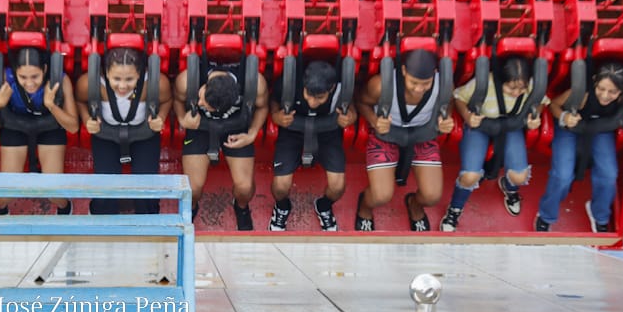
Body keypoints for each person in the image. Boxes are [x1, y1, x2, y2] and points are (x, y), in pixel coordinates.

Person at [440, 56, 548, 231]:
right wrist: (468, 116)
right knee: (470, 176)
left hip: (512, 125)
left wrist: (534, 116)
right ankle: (455, 208)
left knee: (519, 176)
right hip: (481, 125)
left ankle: (509, 186)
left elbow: (541, 101)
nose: (516, 92)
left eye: (521, 88)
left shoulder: (530, 85)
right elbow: (459, 97)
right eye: (511, 88)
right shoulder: (485, 83)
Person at [354, 49, 454, 231]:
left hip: (422, 135)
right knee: (380, 195)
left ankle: (414, 204)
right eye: (414, 82)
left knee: (432, 196)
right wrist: (375, 121)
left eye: (426, 83)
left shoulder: (443, 85)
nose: (419, 89)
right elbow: (361, 101)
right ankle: (365, 207)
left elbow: (448, 103)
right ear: (404, 71)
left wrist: (445, 118)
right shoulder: (380, 85)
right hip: (387, 135)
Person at [535, 63, 623, 232]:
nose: (605, 96)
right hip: (571, 128)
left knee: (609, 174)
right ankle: (546, 214)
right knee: (562, 175)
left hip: (601, 129)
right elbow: (553, 104)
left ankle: (599, 213)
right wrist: (565, 117)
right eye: (601, 89)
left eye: (612, 92)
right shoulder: (582, 93)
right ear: (594, 82)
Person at [0, 47, 79, 215]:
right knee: (5, 196)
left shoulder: (59, 80)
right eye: (23, 77)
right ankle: (1, 212)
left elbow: (73, 126)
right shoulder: (6, 78)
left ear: (44, 69)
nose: (29, 83)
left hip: (50, 126)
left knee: (55, 194)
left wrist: (51, 105)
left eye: (35, 76)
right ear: (15, 71)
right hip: (15, 125)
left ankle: (65, 207)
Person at [173, 56, 269, 230]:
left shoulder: (255, 83)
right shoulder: (187, 80)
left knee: (245, 188)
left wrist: (252, 134)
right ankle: (191, 208)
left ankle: (241, 207)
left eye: (206, 105)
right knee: (192, 189)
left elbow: (262, 107)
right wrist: (182, 119)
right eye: (201, 98)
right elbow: (178, 100)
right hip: (199, 128)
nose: (199, 103)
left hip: (235, 129)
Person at [76, 47, 172, 215]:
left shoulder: (156, 83)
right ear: (107, 73)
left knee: (147, 187)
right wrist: (86, 119)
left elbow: (167, 100)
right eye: (116, 79)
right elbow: (80, 101)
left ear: (140, 74)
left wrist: (161, 118)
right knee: (104, 187)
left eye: (129, 79)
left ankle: (148, 218)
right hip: (106, 135)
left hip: (143, 135)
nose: (122, 86)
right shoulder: (90, 83)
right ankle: (102, 217)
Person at [268, 60, 357, 231]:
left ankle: (323, 206)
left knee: (338, 187)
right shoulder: (288, 83)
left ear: (331, 89)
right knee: (280, 187)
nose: (312, 103)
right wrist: (276, 116)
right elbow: (274, 100)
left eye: (319, 98)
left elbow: (351, 105)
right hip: (293, 130)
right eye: (309, 95)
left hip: (328, 131)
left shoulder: (341, 88)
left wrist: (350, 116)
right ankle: (282, 207)